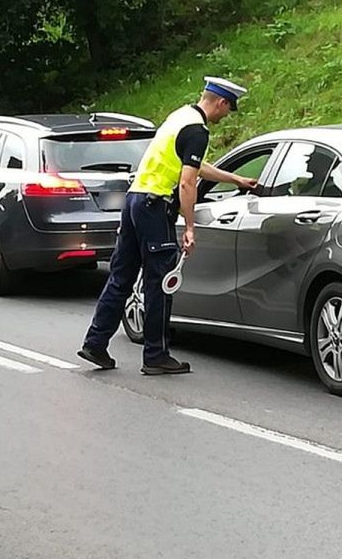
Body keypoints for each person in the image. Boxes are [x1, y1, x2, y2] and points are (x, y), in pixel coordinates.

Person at [79, 76, 257, 375]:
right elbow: (187, 183)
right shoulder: (198, 131)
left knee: (121, 277)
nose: (225, 117)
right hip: (156, 206)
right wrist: (189, 227)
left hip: (135, 200)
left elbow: (192, 165)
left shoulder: (179, 117)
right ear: (222, 102)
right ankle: (156, 355)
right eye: (227, 110)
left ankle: (95, 343)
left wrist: (235, 179)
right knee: (160, 281)